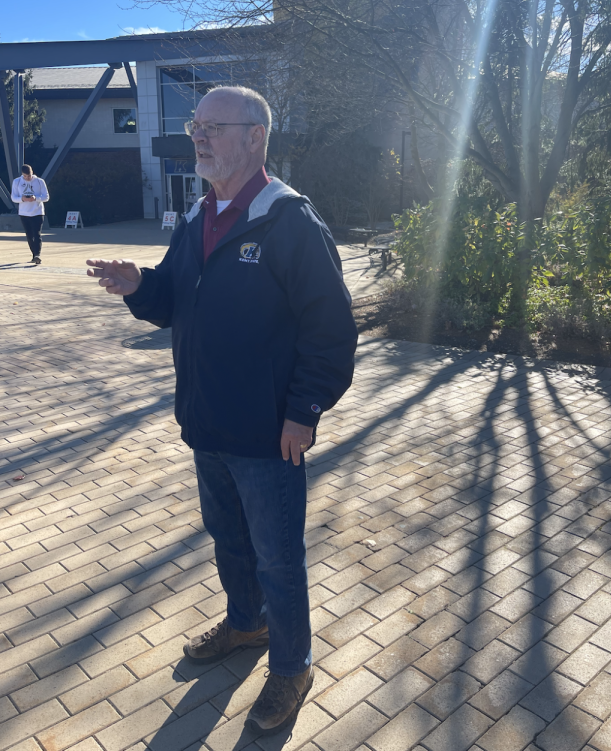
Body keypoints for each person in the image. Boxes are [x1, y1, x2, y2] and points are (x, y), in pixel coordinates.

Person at [86, 86, 357, 737]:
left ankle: (293, 665)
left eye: (214, 127)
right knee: (229, 542)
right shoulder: (198, 215)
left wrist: (304, 410)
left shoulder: (290, 221)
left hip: (269, 436)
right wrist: (139, 287)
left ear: (255, 136)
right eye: (194, 126)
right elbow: (177, 298)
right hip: (207, 423)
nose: (198, 137)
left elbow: (332, 329)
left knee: (278, 559)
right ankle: (246, 623)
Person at [11, 164, 49, 265]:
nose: (28, 178)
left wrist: (36, 198)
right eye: (26, 176)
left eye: (30, 175)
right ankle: (34, 254)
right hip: (24, 213)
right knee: (29, 234)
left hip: (37, 212)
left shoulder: (40, 182)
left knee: (37, 234)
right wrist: (22, 199)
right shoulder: (17, 182)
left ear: (32, 172)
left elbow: (46, 197)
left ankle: (37, 255)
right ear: (22, 175)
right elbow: (13, 197)